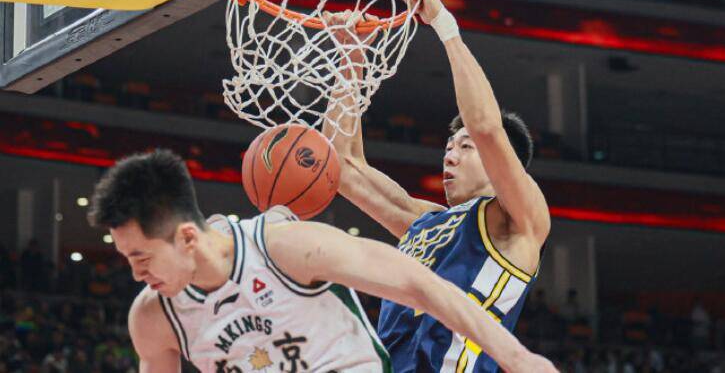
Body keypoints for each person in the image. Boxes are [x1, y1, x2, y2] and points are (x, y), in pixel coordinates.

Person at [87, 150, 555, 373]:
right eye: (128, 258)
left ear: (187, 236)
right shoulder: (153, 318)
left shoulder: (288, 248)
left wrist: (517, 357)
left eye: (142, 257)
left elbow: (422, 286)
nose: (136, 273)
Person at [323, 0, 551, 372]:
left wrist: (443, 24)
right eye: (448, 147)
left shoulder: (521, 220)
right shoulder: (425, 221)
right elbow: (343, 168)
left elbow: (485, 127)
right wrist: (351, 57)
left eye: (464, 147)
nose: (450, 156)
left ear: (502, 161)